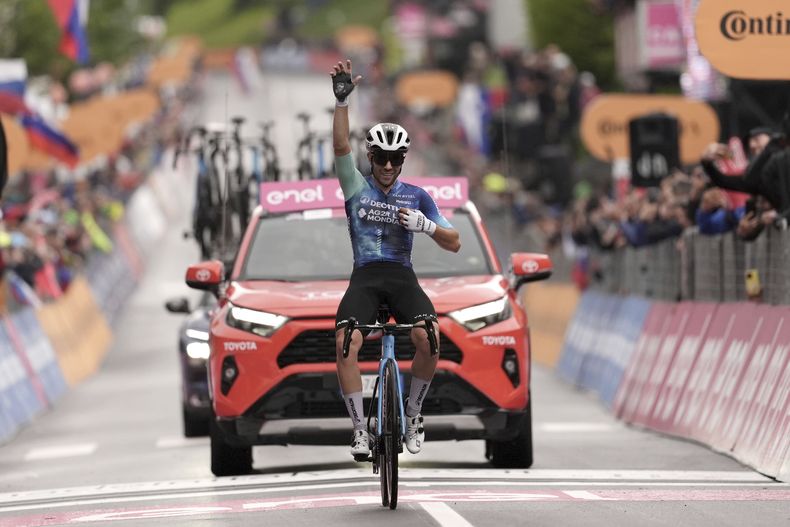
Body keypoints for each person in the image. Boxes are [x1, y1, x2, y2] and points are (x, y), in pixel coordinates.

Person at [330, 59, 461, 460]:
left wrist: (427, 225)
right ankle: (359, 430)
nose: (387, 166)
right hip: (365, 277)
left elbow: (454, 242)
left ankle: (414, 412)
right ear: (369, 157)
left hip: (402, 277)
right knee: (344, 342)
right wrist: (341, 103)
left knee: (429, 338)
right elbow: (339, 148)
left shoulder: (418, 196)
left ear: (403, 159)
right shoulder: (355, 186)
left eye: (395, 159)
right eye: (380, 158)